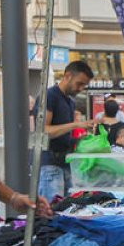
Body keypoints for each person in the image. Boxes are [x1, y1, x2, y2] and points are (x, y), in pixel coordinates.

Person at [32, 60, 95, 202]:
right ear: (67, 76)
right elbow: (43, 131)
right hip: (49, 163)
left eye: (84, 85)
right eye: (79, 83)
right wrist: (75, 125)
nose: (81, 88)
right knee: (51, 212)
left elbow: (63, 134)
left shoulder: (70, 101)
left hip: (65, 162)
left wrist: (81, 140)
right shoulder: (49, 96)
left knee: (65, 209)